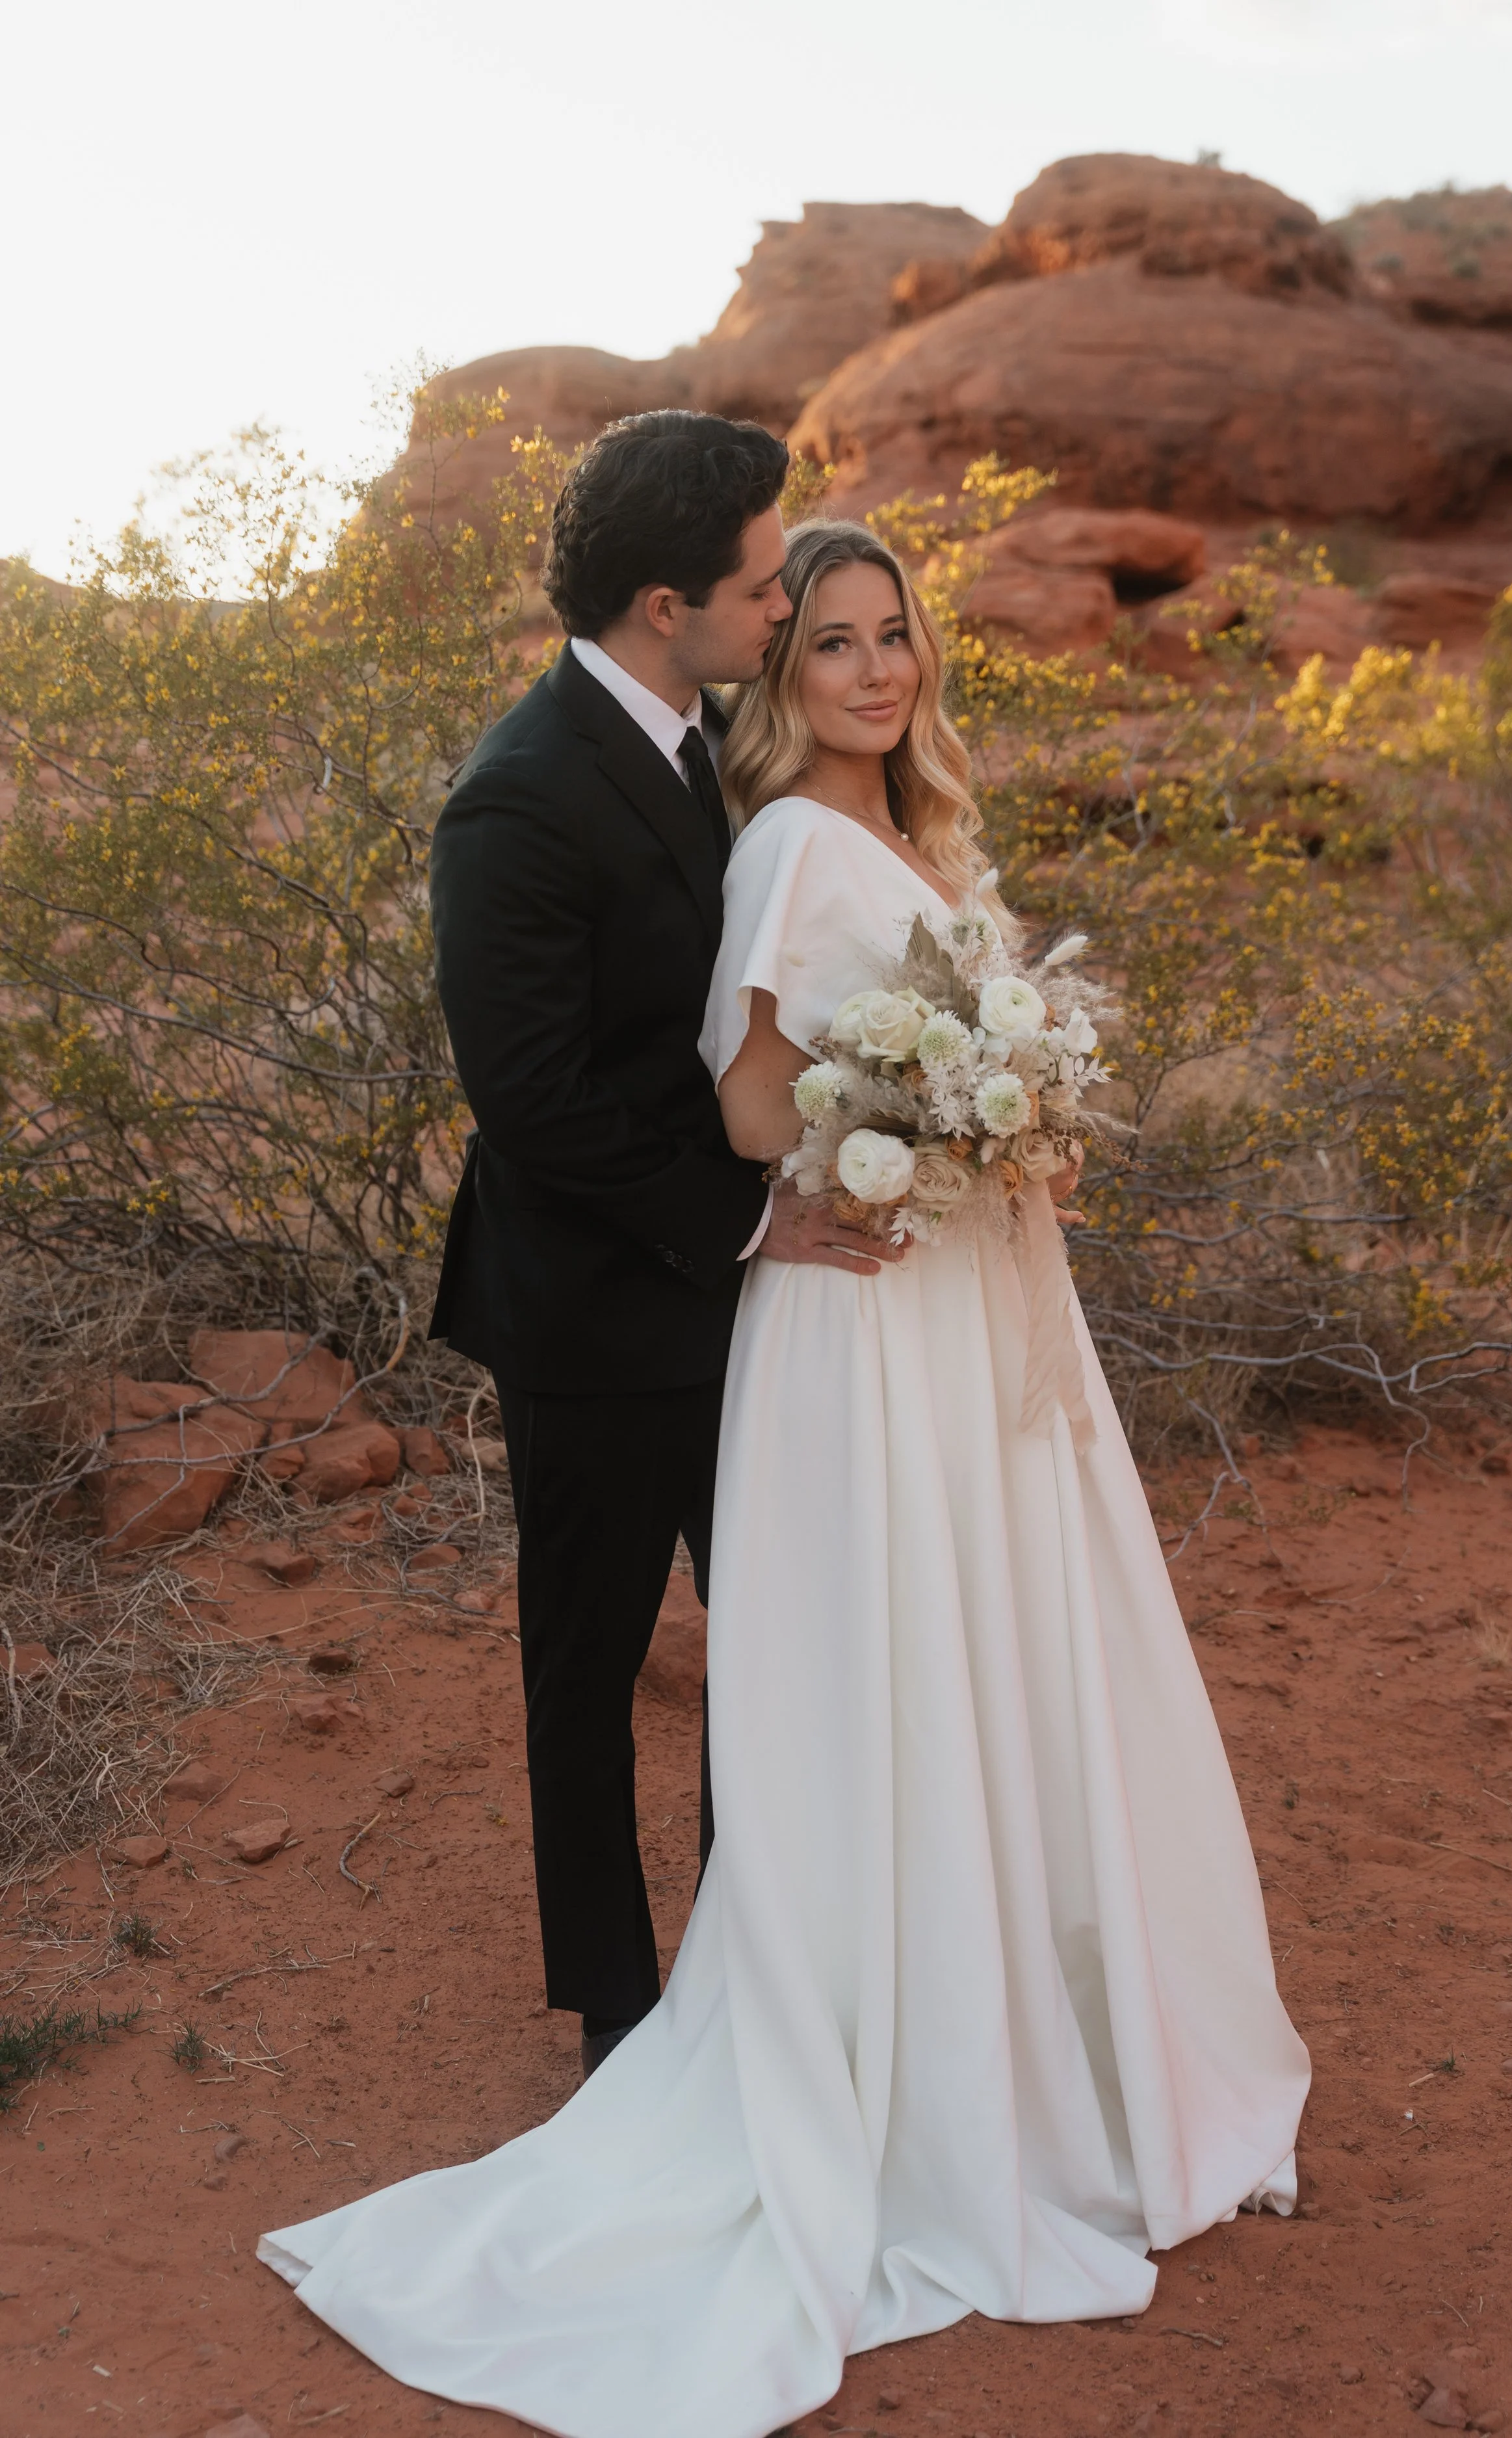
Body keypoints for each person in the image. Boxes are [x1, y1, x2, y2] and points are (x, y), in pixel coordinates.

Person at [261, 516, 1310, 2438]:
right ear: (765, 662)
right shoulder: (785, 846)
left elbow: (917, 1056)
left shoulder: (920, 837)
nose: (867, 667)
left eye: (889, 633)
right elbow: (756, 1102)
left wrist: (1023, 1126)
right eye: (823, 638)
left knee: (1004, 1644)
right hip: (866, 1313)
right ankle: (837, 2044)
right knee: (869, 1659)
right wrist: (905, 1131)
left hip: (985, 1302)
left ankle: (1035, 2028)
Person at [423, 412, 898, 2082]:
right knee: (590, 1663)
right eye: (764, 591)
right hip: (594, 1315)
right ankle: (619, 2009)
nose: (782, 612)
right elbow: (536, 1101)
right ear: (657, 605)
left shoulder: (708, 739)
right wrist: (757, 1216)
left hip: (742, 1305)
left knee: (767, 1637)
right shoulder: (516, 799)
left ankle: (745, 1972)